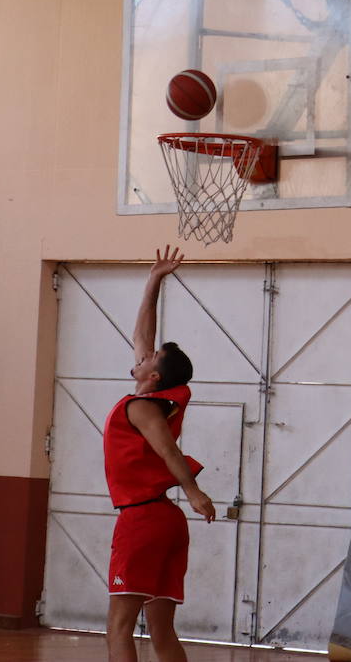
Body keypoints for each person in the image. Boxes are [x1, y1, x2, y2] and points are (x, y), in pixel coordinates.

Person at [103, 245, 216, 662]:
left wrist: (193, 491)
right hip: (167, 521)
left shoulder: (141, 407)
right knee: (162, 631)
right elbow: (141, 336)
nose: (143, 353)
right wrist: (154, 279)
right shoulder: (158, 396)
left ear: (152, 375)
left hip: (144, 518)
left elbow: (169, 451)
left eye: (150, 358)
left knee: (118, 626)